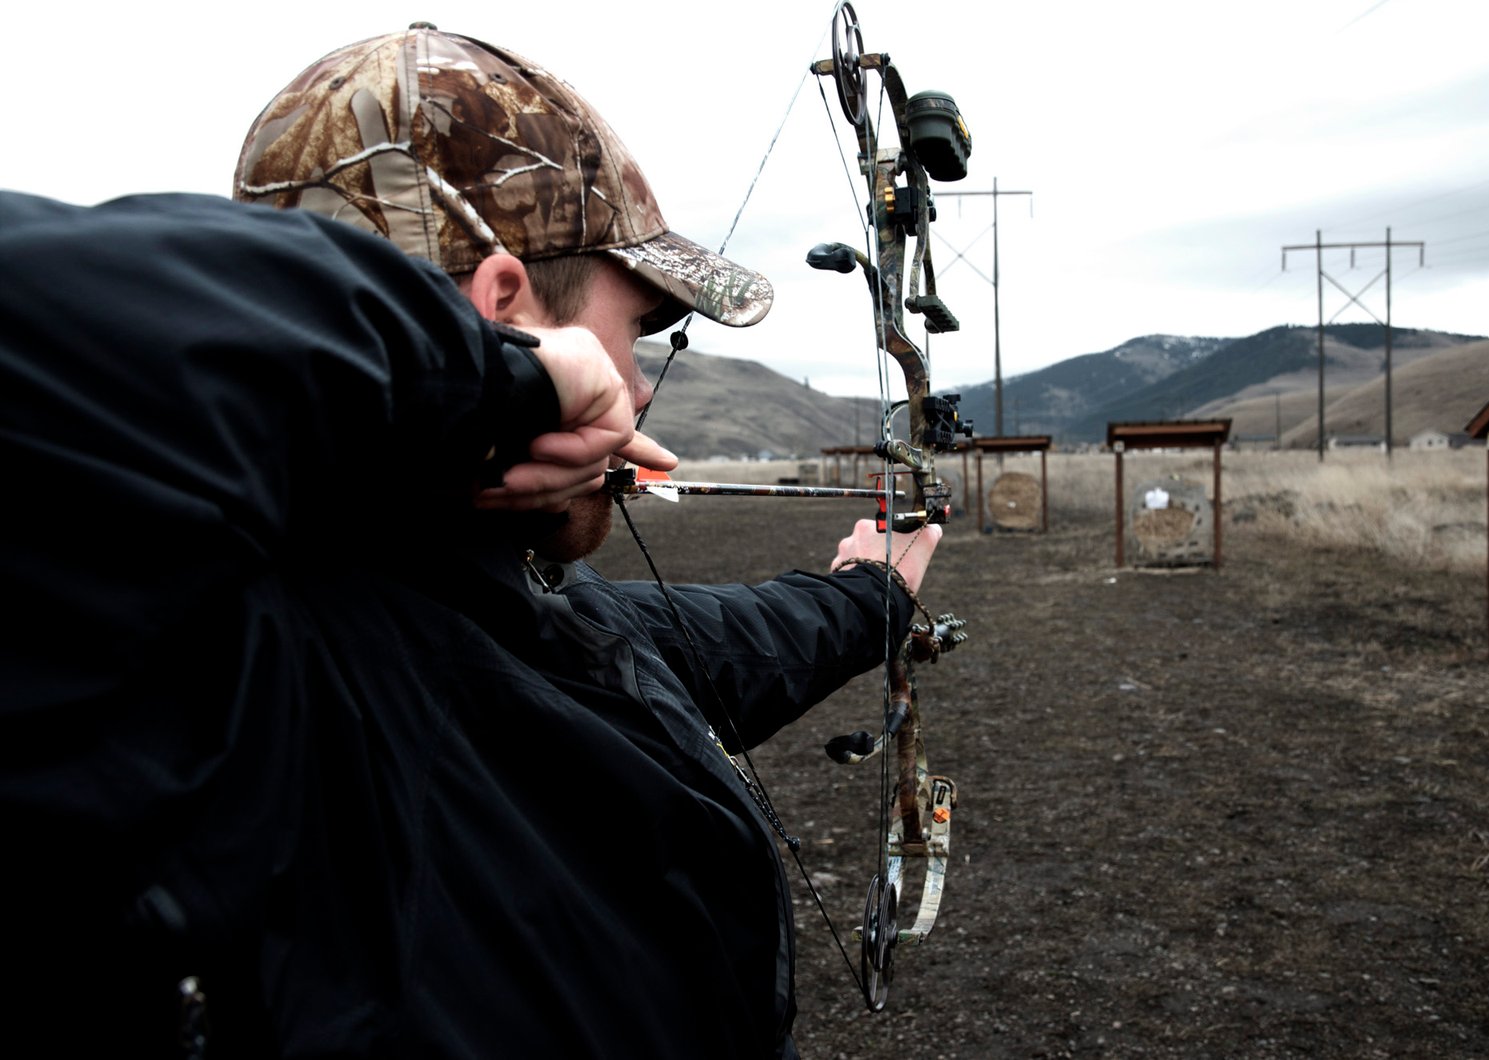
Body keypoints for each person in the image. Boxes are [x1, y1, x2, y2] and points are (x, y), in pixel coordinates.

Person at [0, 22, 940, 1059]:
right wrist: (492, 381)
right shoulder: (217, 673)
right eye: (637, 335)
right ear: (505, 311)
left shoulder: (522, 606)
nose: (635, 387)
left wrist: (869, 595)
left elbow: (710, 647)